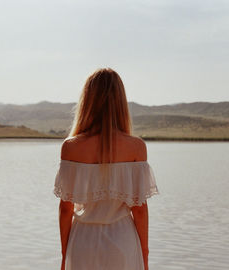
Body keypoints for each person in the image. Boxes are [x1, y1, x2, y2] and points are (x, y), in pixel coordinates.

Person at [53, 68, 158, 270]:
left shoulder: (71, 147)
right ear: (120, 101)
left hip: (82, 241)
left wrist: (64, 256)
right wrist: (144, 256)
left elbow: (66, 209)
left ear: (87, 101)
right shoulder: (136, 147)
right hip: (123, 242)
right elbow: (140, 210)